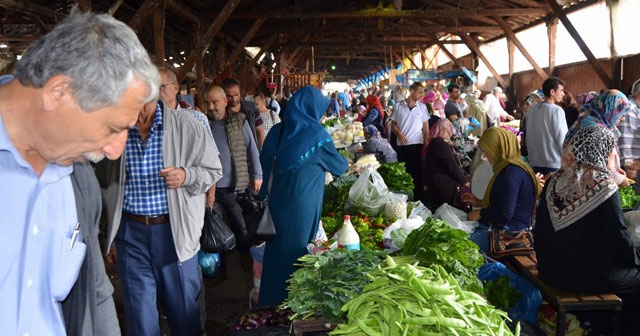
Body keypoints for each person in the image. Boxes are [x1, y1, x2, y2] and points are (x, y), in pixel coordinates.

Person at [0, 12, 160, 335]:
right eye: (113, 128)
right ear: (58, 92)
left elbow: (96, 291)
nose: (116, 151)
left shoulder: (79, 180)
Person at [96, 98, 222, 336]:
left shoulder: (187, 124)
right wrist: (110, 235)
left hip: (173, 232)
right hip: (130, 233)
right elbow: (105, 186)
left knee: (184, 313)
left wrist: (187, 176)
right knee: (140, 317)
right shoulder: (116, 130)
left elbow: (213, 170)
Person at [533, 125, 640, 335]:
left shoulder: (554, 180)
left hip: (550, 268)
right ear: (601, 152)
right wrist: (635, 260)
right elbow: (618, 237)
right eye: (611, 153)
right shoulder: (602, 185)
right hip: (580, 276)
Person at [258, 86, 348, 306]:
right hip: (302, 208)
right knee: (297, 255)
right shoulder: (317, 135)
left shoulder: (277, 131)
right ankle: (292, 306)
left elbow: (263, 166)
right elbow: (340, 166)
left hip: (276, 206)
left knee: (276, 254)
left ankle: (270, 305)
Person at [462, 127, 540, 254]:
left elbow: (505, 214)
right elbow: (505, 202)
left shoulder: (511, 174)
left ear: (498, 148)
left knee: (461, 245)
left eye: (487, 151)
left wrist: (480, 213)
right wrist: (479, 202)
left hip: (509, 233)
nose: (485, 155)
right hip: (506, 227)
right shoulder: (509, 168)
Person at [205, 86, 262, 250]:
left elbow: (252, 147)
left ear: (224, 101)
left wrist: (257, 174)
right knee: (215, 230)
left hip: (235, 188)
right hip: (211, 189)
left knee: (241, 228)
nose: (211, 107)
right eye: (208, 103)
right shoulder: (202, 123)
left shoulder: (239, 120)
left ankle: (244, 258)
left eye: (215, 102)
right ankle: (220, 268)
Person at [565, 90, 631, 187]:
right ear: (609, 109)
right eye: (620, 113)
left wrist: (616, 168)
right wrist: (621, 179)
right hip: (587, 189)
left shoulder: (592, 122)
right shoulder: (596, 130)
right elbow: (596, 169)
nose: (623, 118)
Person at [391, 82, 430, 201]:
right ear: (412, 91)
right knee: (404, 173)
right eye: (419, 92)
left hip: (417, 144)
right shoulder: (398, 106)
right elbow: (393, 125)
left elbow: (426, 128)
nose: (421, 95)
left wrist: (425, 142)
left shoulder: (422, 107)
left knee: (416, 174)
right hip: (402, 145)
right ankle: (404, 199)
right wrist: (399, 134)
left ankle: (418, 199)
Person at [525, 77, 568, 175]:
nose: (563, 94)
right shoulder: (556, 110)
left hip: (534, 161)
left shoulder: (532, 110)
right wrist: (567, 159)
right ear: (552, 92)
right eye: (561, 91)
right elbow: (562, 138)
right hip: (552, 163)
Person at [423, 119, 468, 210]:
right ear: (445, 130)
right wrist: (465, 182)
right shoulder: (439, 143)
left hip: (435, 181)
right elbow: (452, 166)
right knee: (467, 192)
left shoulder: (436, 142)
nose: (451, 133)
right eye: (449, 129)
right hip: (441, 184)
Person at [222, 78, 264, 149]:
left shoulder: (251, 108)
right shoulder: (222, 112)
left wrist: (261, 149)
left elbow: (259, 129)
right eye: (229, 96)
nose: (234, 99)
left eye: (236, 95)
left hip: (251, 149)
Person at [619, 80, 640, 187]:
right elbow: (624, 141)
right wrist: (629, 166)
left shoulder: (636, 109)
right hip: (633, 169)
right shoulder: (630, 110)